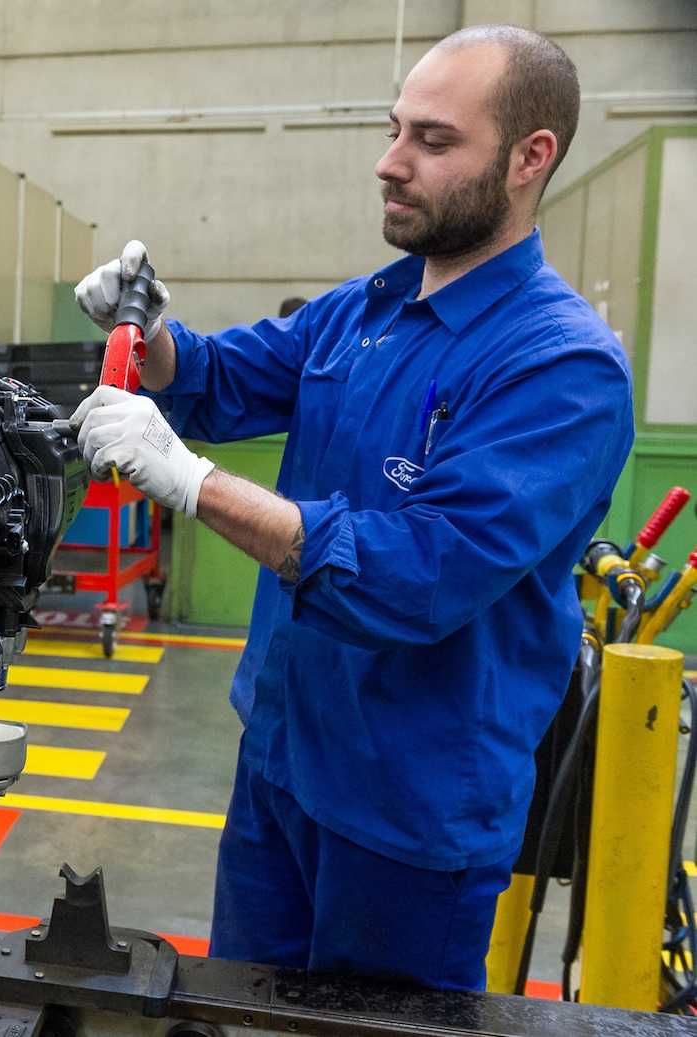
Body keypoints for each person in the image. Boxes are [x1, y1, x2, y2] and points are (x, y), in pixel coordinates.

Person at [70, 25, 633, 991]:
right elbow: (224, 374)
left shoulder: (561, 367)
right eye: (392, 130)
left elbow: (420, 573)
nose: (390, 163)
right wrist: (150, 334)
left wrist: (195, 482)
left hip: (409, 818)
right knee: (242, 1010)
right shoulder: (367, 308)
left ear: (529, 158)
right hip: (281, 765)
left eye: (433, 140)